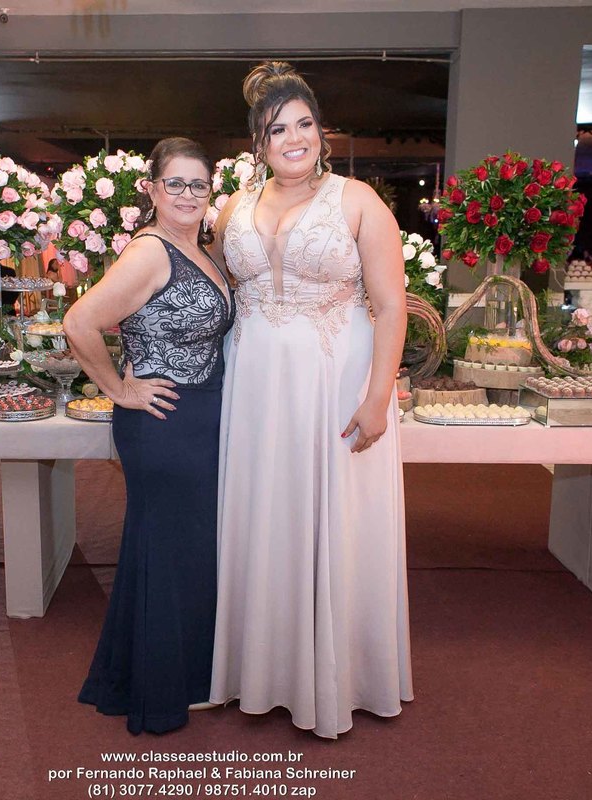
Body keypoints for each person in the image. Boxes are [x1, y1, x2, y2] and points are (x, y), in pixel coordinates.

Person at [208, 61, 412, 739]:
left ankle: (337, 678)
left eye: (304, 124)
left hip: (334, 383)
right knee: (266, 515)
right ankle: (262, 671)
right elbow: (216, 289)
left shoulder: (359, 201)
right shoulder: (233, 208)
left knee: (333, 523)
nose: (293, 138)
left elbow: (391, 306)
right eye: (277, 129)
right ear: (258, 142)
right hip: (255, 387)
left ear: (322, 132)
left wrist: (378, 397)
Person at [64, 137, 234, 735]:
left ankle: (159, 675)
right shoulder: (149, 252)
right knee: (170, 553)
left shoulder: (199, 248)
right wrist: (118, 388)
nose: (187, 194)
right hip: (163, 422)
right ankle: (163, 693)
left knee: (177, 550)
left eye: (198, 184)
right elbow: (79, 321)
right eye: (175, 183)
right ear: (153, 190)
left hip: (196, 420)